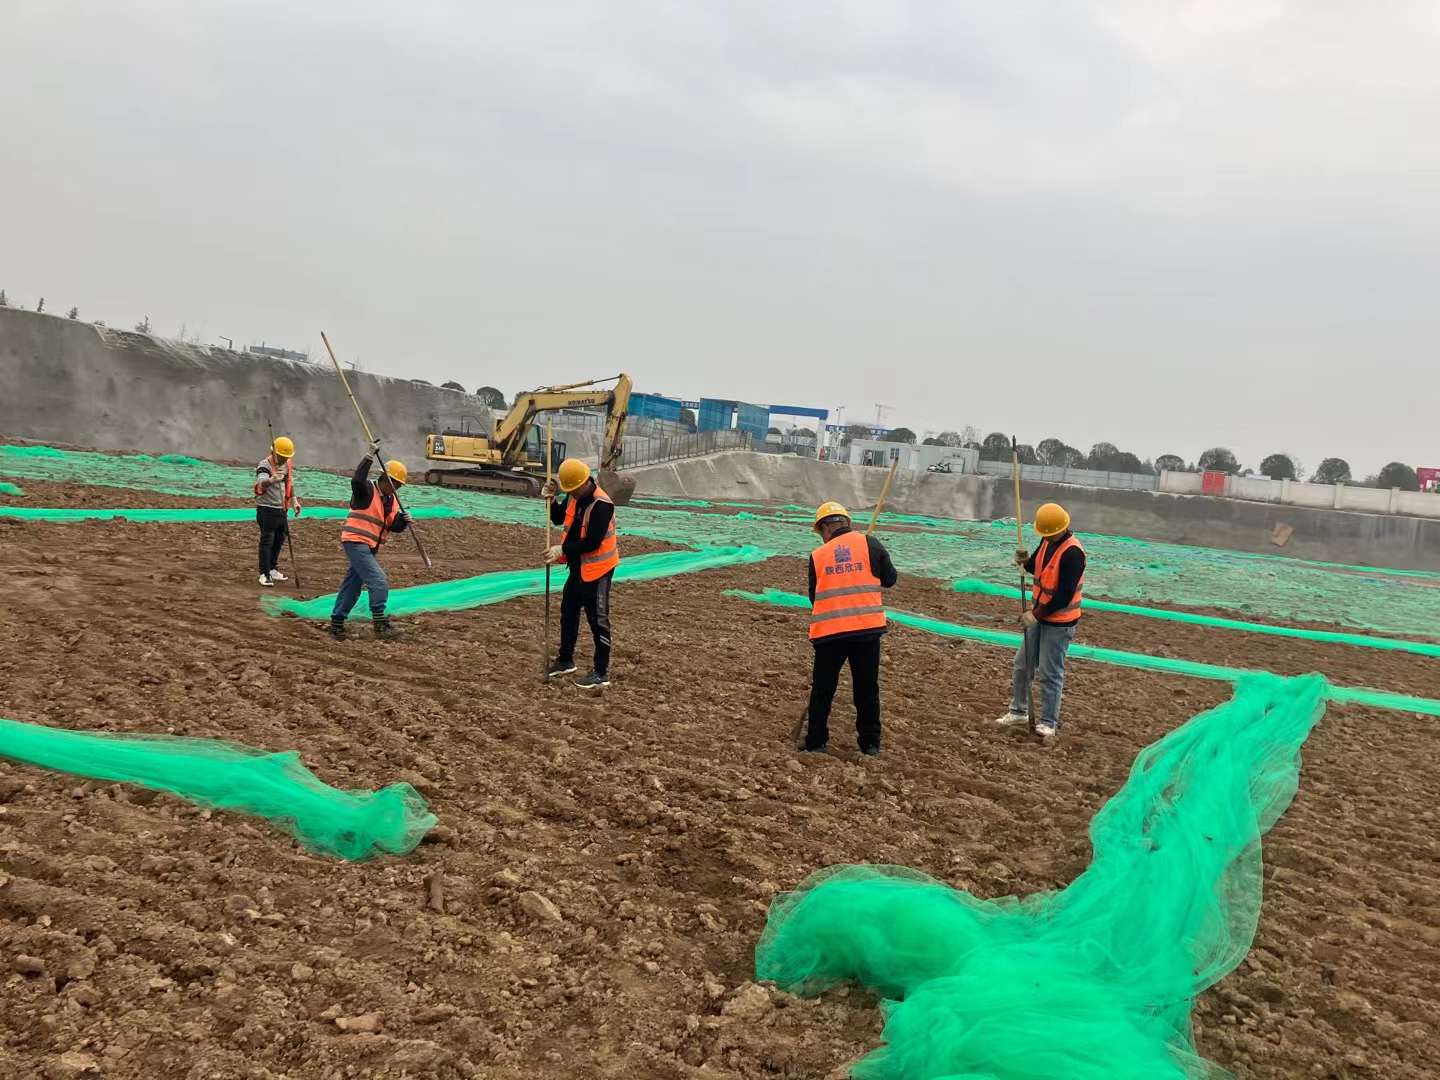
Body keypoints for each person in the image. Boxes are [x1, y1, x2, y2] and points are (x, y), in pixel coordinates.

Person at [800, 501, 898, 756]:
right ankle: (870, 743)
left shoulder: (818, 556)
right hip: (866, 631)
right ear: (847, 522)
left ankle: (815, 741)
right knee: (866, 688)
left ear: (823, 528)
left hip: (829, 634)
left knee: (823, 689)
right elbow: (890, 579)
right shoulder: (870, 543)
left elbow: (815, 597)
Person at [995, 502, 1086, 742]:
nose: (1044, 536)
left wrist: (1035, 614)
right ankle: (1018, 711)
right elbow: (1037, 567)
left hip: (1059, 622)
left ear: (1059, 529)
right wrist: (1024, 562)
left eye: (1047, 532)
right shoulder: (1047, 541)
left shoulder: (1073, 554)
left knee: (1050, 672)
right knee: (1022, 664)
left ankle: (1048, 722)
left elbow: (1063, 595)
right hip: (1039, 615)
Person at [541, 458, 620, 689]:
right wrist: (551, 501)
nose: (571, 494)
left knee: (598, 620)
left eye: (572, 490)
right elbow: (557, 518)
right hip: (577, 567)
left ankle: (601, 672)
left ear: (584, 482)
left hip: (598, 569)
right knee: (568, 612)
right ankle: (566, 660)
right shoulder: (575, 497)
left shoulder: (602, 505)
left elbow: (593, 542)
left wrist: (562, 549)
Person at [329, 444, 411, 640]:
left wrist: (404, 521)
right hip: (356, 542)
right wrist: (368, 457)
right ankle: (380, 623)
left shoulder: (390, 501)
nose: (397, 487)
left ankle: (337, 623)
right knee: (378, 580)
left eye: (399, 485)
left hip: (369, 546)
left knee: (353, 585)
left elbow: (392, 525)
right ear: (386, 479)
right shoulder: (366, 490)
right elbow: (357, 480)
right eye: (396, 483)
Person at [255, 436, 302, 586]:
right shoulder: (264, 465)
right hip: (267, 509)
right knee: (267, 540)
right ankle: (264, 573)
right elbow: (260, 483)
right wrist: (271, 480)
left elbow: (289, 482)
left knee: (279, 539)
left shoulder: (287, 464)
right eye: (281, 456)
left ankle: (273, 568)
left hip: (282, 509)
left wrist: (294, 500)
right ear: (274, 452)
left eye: (286, 457)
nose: (283, 459)